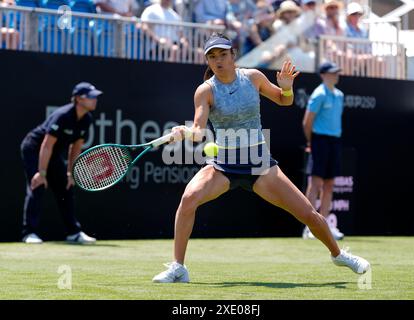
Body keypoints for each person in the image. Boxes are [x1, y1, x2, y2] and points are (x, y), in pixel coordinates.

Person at [152, 33, 370, 283]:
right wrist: (185, 131)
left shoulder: (253, 77)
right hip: (223, 165)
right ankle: (178, 267)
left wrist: (287, 88)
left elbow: (283, 101)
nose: (218, 60)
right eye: (212, 57)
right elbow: (199, 130)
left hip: (259, 164)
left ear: (233, 55)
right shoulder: (205, 90)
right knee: (189, 198)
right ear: (208, 62)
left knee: (308, 214)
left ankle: (339, 254)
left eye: (223, 54)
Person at [20, 82, 102, 244]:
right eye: (91, 97)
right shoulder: (63, 116)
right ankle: (29, 233)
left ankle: (73, 232)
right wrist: (41, 173)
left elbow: (75, 147)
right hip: (34, 149)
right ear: (78, 99)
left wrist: (71, 173)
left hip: (53, 153)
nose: (95, 100)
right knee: (37, 185)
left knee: (66, 187)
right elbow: (46, 145)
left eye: (95, 97)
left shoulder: (86, 119)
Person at [302, 62, 345, 241]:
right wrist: (311, 142)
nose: (336, 75)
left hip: (334, 141)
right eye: (332, 73)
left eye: (337, 72)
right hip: (319, 140)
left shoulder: (340, 95)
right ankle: (309, 227)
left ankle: (325, 225)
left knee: (329, 184)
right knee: (316, 183)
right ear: (323, 75)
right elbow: (307, 122)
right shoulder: (319, 94)